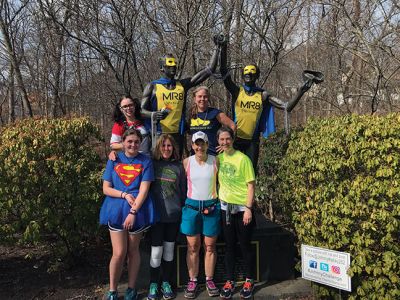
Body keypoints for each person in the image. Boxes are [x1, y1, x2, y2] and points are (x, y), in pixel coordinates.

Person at [220, 42, 316, 172]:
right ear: (243, 75)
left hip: (252, 142)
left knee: (250, 175)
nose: (249, 74)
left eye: (252, 72)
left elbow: (287, 107)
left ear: (257, 75)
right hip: (235, 139)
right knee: (231, 172)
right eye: (246, 72)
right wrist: (223, 47)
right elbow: (224, 72)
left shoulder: (263, 95)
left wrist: (301, 90)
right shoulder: (237, 92)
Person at [141, 36, 225, 156]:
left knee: (175, 167)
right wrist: (153, 114)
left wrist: (217, 47)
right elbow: (140, 111)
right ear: (161, 68)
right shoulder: (152, 86)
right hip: (158, 134)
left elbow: (209, 70)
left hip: (177, 134)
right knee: (158, 166)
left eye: (174, 65)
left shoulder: (182, 85)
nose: (173, 67)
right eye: (169, 65)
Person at [99, 128, 157, 300]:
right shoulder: (114, 160)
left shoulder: (145, 161)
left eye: (136, 142)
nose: (133, 144)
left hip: (137, 211)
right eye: (129, 141)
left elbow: (144, 190)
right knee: (119, 252)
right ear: (123, 142)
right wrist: (123, 194)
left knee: (133, 251)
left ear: (140, 143)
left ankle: (131, 288)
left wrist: (133, 212)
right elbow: (106, 188)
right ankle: (112, 290)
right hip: (115, 210)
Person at [216, 126, 256, 299]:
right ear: (218, 141)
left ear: (232, 139)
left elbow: (251, 185)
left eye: (227, 139)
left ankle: (249, 280)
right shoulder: (217, 160)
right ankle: (230, 280)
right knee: (229, 246)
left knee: (245, 245)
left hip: (241, 209)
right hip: (225, 209)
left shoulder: (243, 159)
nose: (225, 142)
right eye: (222, 139)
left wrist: (248, 208)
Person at [180, 131, 220, 299]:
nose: (199, 147)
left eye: (202, 143)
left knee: (210, 247)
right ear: (192, 146)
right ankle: (193, 280)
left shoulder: (216, 160)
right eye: (196, 144)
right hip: (192, 208)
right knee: (193, 247)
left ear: (207, 144)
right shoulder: (186, 162)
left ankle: (209, 280)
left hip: (211, 208)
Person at [147, 134, 187, 300]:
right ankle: (153, 283)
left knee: (169, 251)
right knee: (156, 252)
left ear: (174, 148)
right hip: (156, 217)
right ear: (158, 147)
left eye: (169, 146)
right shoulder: (152, 164)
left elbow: (184, 192)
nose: (166, 149)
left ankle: (166, 282)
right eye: (163, 146)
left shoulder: (179, 167)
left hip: (173, 216)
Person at [188, 86, 235, 155]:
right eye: (199, 96)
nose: (202, 99)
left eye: (205, 96)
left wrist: (227, 145)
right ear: (195, 99)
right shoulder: (191, 114)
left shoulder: (215, 113)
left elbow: (233, 125)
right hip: (196, 155)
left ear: (208, 98)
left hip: (213, 155)